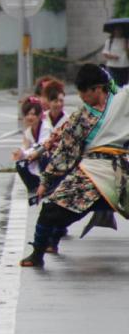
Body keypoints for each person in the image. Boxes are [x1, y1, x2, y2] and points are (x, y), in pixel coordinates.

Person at [20, 64, 128, 267]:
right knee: (51, 210)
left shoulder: (120, 103)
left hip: (113, 170)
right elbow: (65, 146)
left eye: (84, 92)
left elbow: (66, 152)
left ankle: (42, 249)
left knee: (53, 209)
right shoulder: (86, 115)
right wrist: (47, 177)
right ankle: (39, 251)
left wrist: (47, 179)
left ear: (97, 88)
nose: (81, 97)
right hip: (102, 173)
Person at [12, 97, 48, 195]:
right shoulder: (29, 131)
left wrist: (24, 153)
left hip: (48, 158)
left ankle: (47, 185)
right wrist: (19, 152)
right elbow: (25, 146)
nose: (29, 117)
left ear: (40, 115)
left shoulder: (46, 127)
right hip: (35, 156)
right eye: (27, 114)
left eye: (32, 114)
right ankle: (34, 186)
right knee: (20, 164)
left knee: (44, 157)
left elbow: (42, 146)